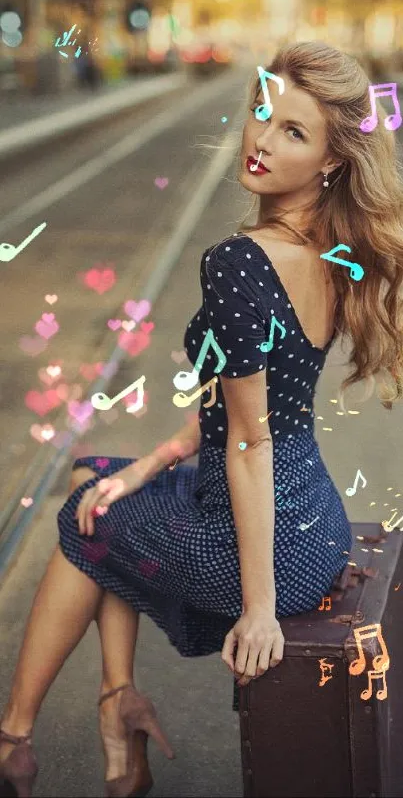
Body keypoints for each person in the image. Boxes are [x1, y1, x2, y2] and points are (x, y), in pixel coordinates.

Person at [1, 40, 403, 798]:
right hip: (308, 518)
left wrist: (259, 613)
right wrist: (155, 463)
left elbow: (249, 440)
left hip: (262, 542)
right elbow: (252, 405)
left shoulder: (238, 261)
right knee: (108, 480)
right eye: (262, 112)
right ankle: (119, 711)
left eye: (293, 131)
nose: (260, 139)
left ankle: (14, 737)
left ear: (327, 162)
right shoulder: (325, 249)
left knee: (82, 518)